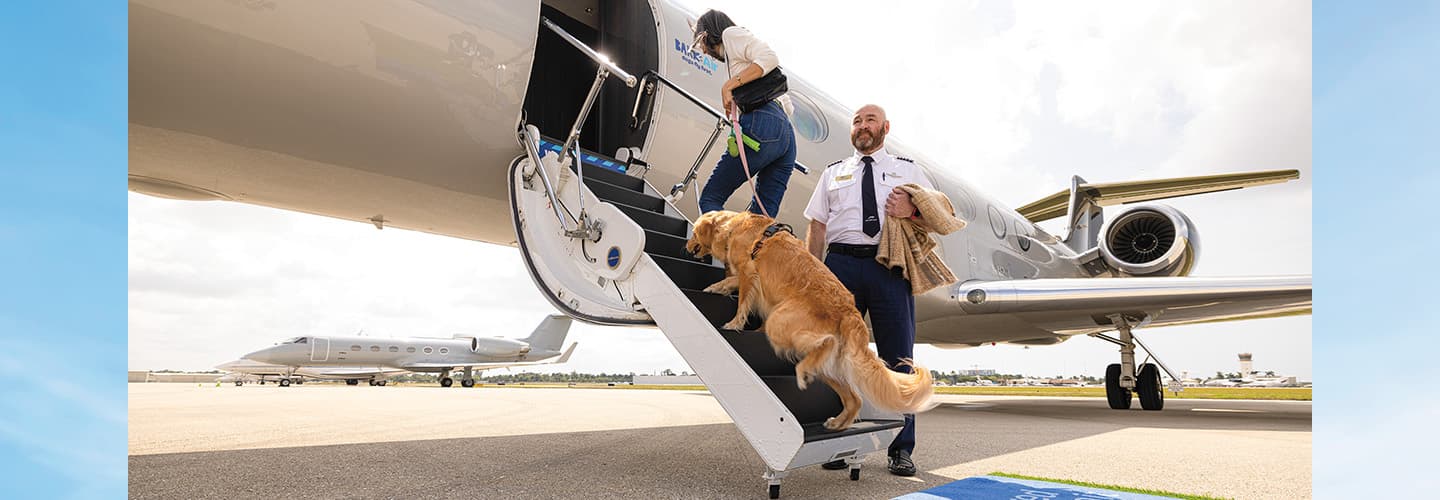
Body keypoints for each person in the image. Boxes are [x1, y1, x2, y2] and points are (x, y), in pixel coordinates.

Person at [804, 104, 932, 477]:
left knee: (898, 358)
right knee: (837, 358)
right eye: (857, 121)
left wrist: (912, 208)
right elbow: (817, 227)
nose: (862, 126)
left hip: (888, 267)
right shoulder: (833, 173)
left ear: (885, 128)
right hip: (840, 266)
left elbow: (937, 215)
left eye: (870, 120)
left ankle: (901, 449)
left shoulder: (908, 170)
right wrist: (814, 278)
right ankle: (842, 443)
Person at [691, 9, 797, 216]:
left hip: (764, 122)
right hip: (785, 135)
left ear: (705, 34)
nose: (703, 51)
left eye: (699, 44)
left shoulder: (730, 34)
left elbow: (769, 57)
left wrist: (729, 86)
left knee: (711, 198)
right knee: (761, 218)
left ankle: (724, 247)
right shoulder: (735, 57)